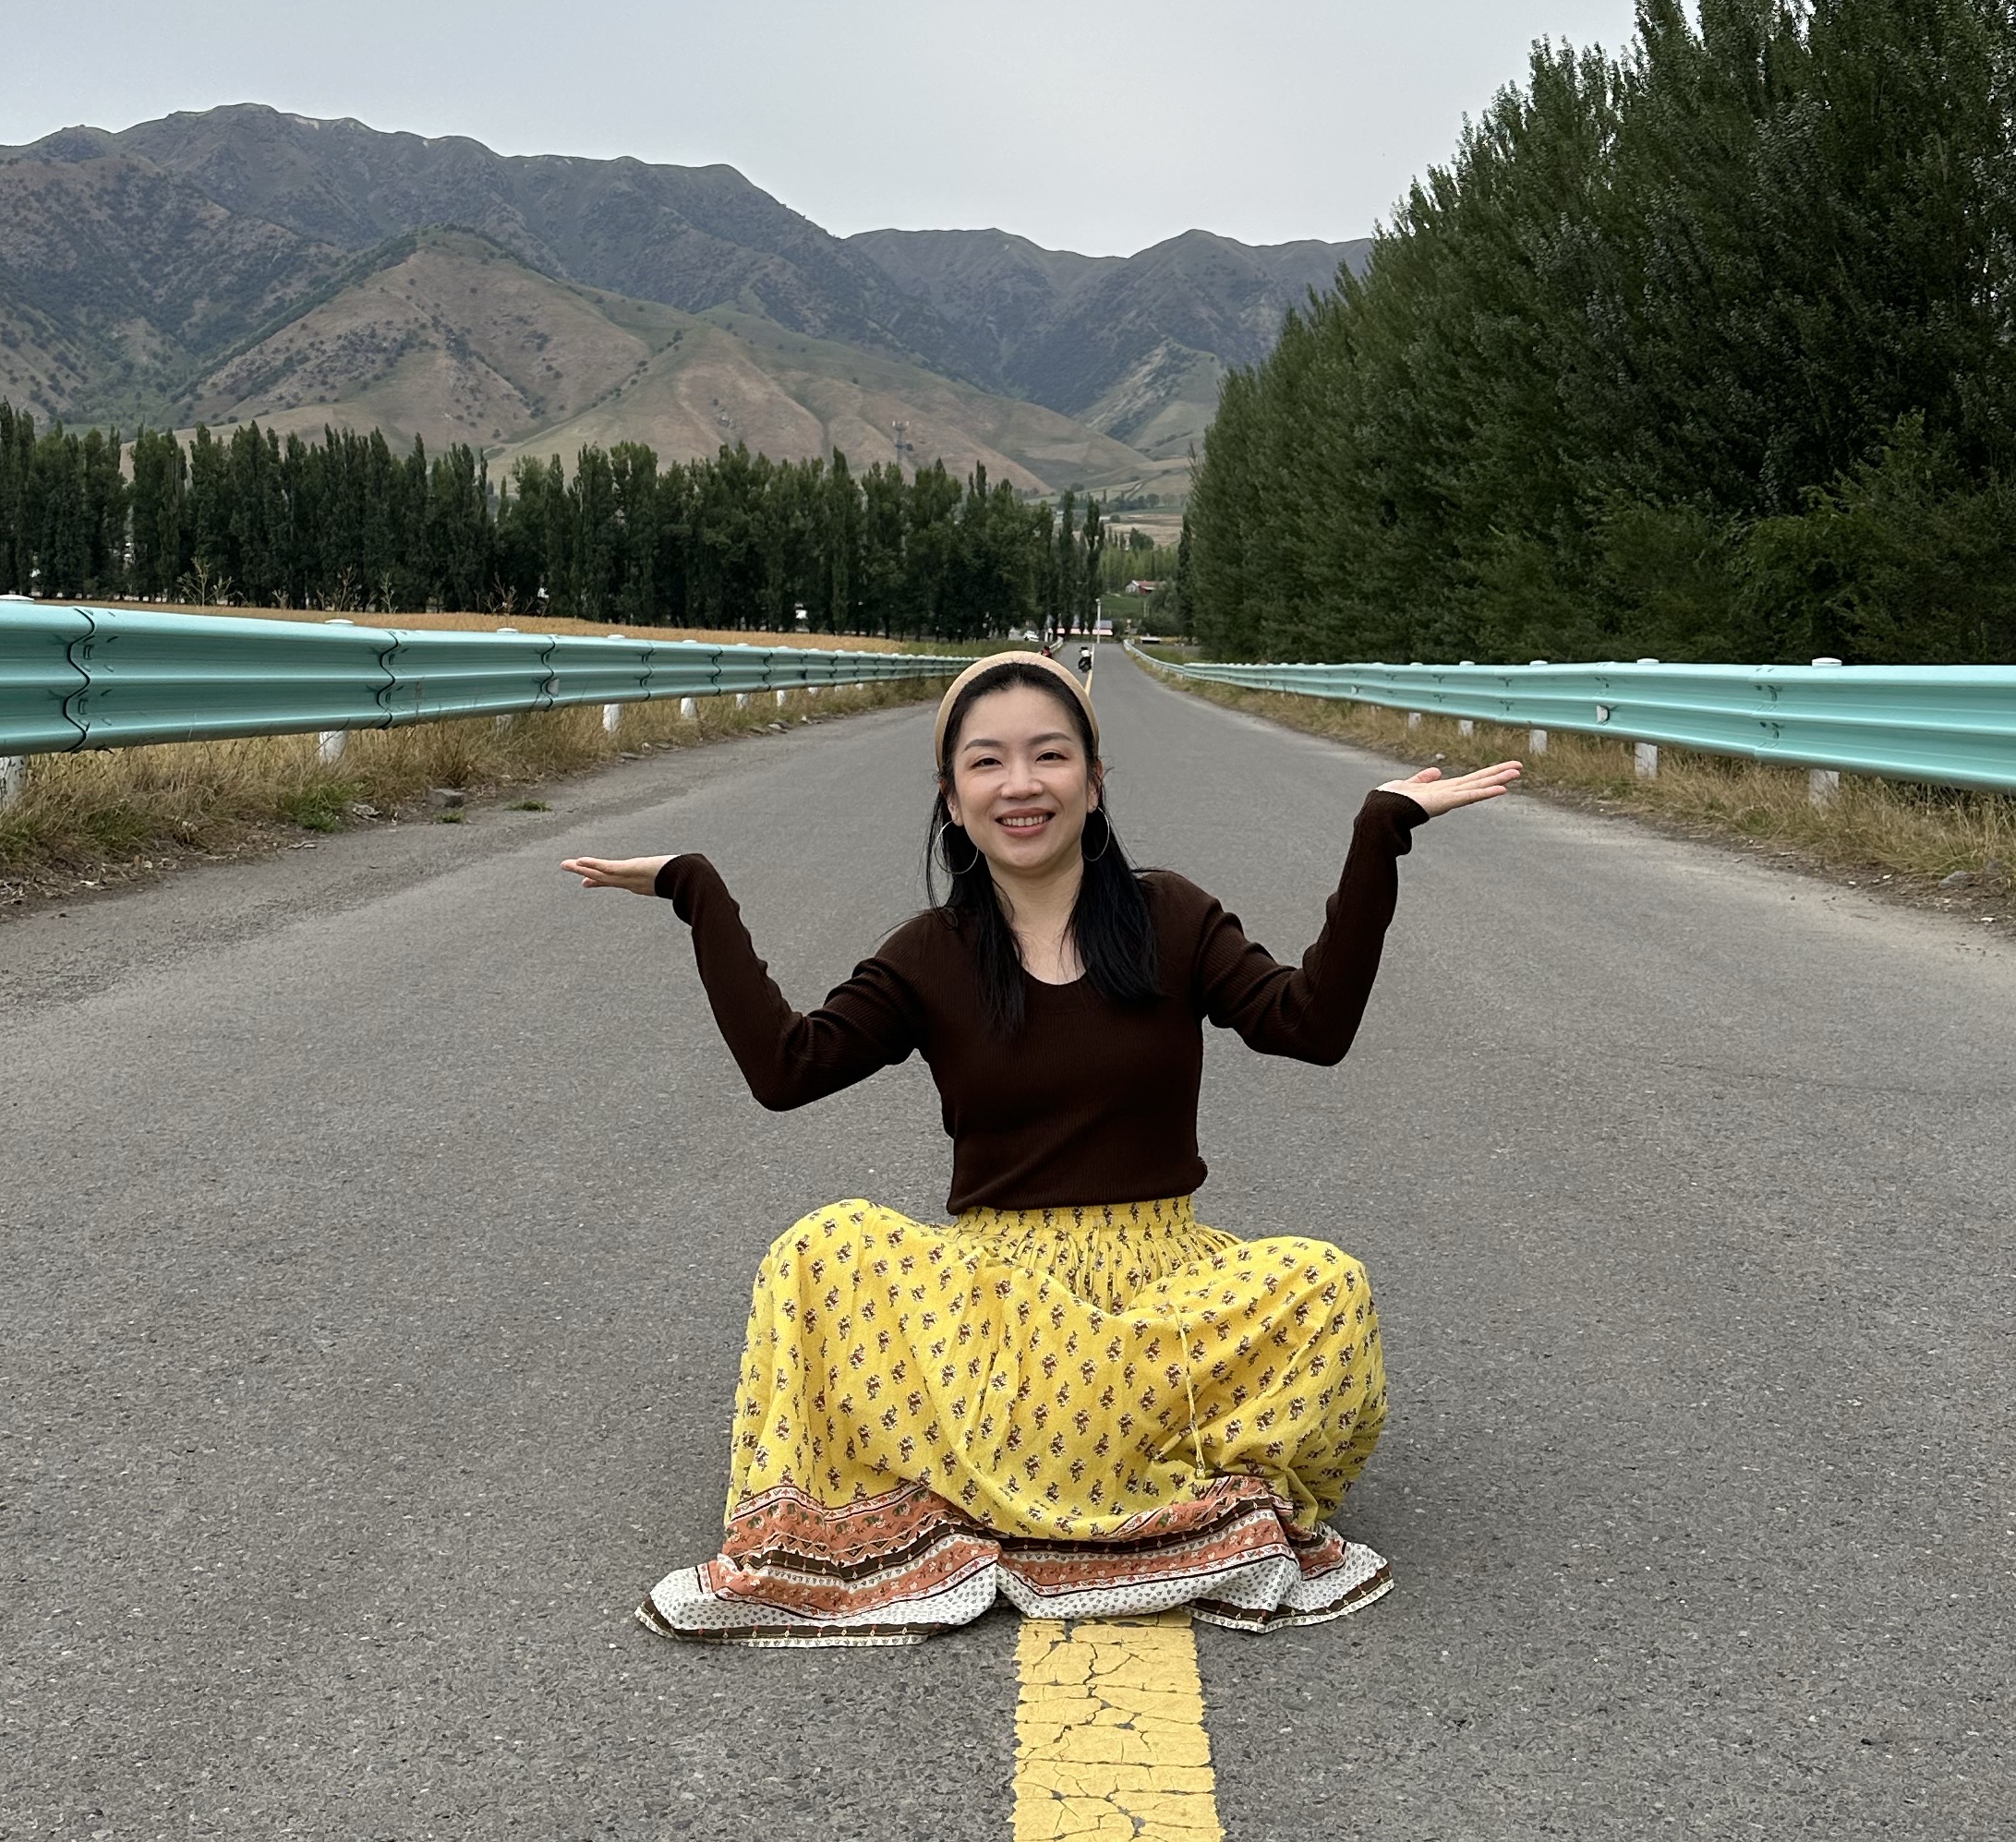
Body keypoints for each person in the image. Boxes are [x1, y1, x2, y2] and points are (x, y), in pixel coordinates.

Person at [565, 649, 1521, 1643]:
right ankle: (1126, 1489)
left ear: (1094, 781)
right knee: (822, 1252)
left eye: (1050, 756)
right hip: (999, 1315)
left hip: (1161, 1303)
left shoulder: (1172, 917)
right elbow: (787, 1067)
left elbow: (1310, 1026)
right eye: (987, 762)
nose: (1021, 785)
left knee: (1327, 1287)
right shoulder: (930, 953)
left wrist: (1380, 834)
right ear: (952, 799)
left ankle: (1021, 1489)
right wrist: (696, 891)